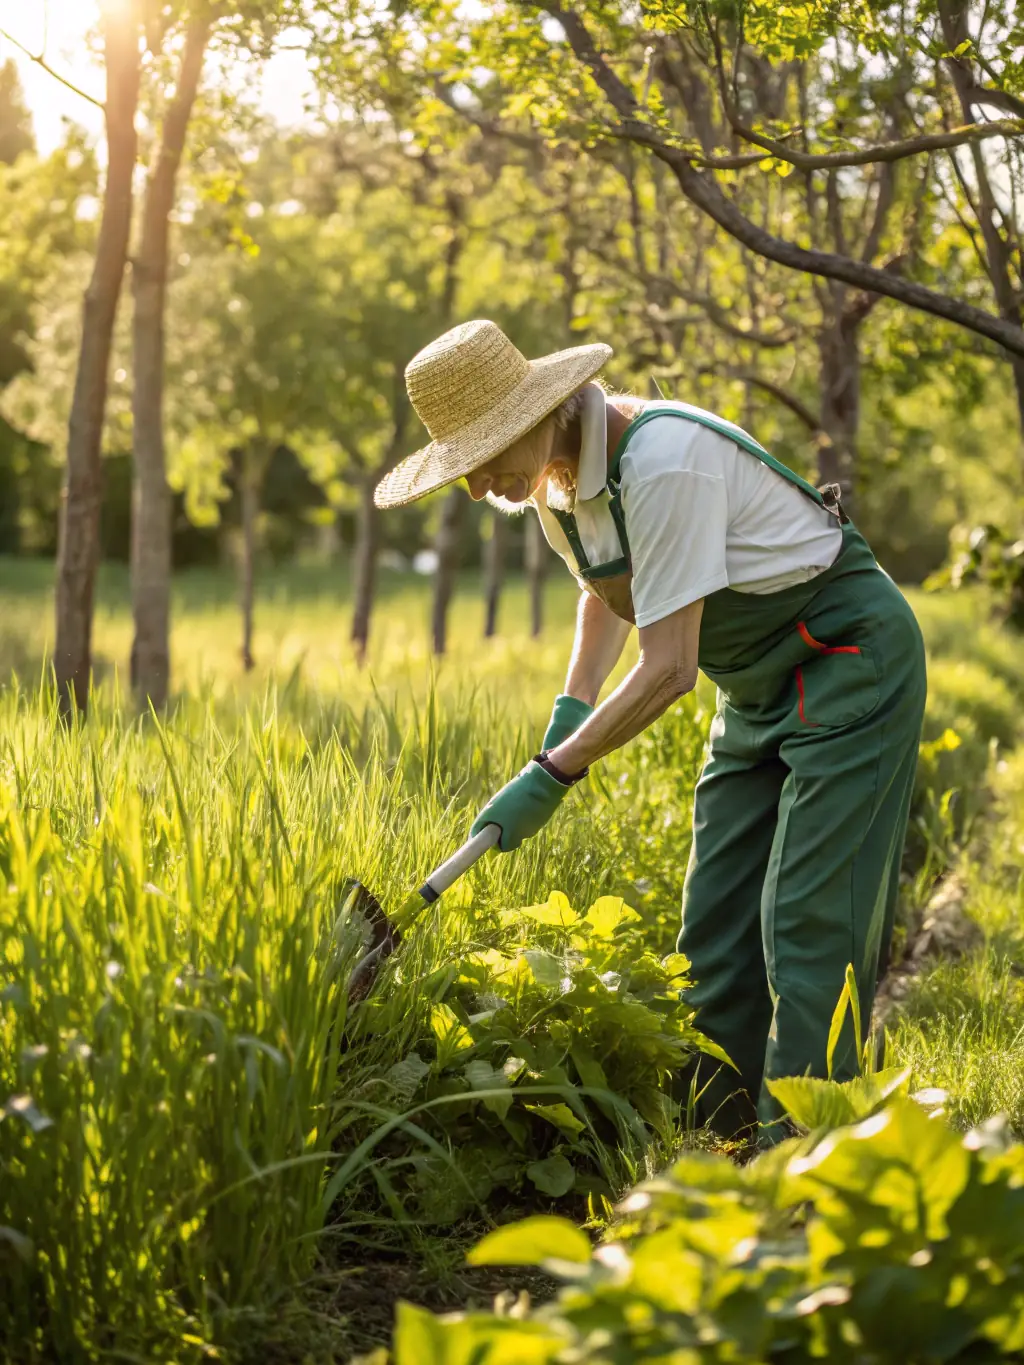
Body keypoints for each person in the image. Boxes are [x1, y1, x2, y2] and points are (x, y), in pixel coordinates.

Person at [374, 318, 927, 1144]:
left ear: (539, 412)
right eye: (462, 464)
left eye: (483, 454)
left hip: (847, 659)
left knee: (808, 923)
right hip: (752, 689)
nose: (476, 483)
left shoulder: (667, 461)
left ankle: (810, 1171)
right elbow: (606, 591)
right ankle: (719, 1151)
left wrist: (555, 771)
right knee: (709, 934)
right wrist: (569, 710)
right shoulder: (557, 486)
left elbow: (669, 668)